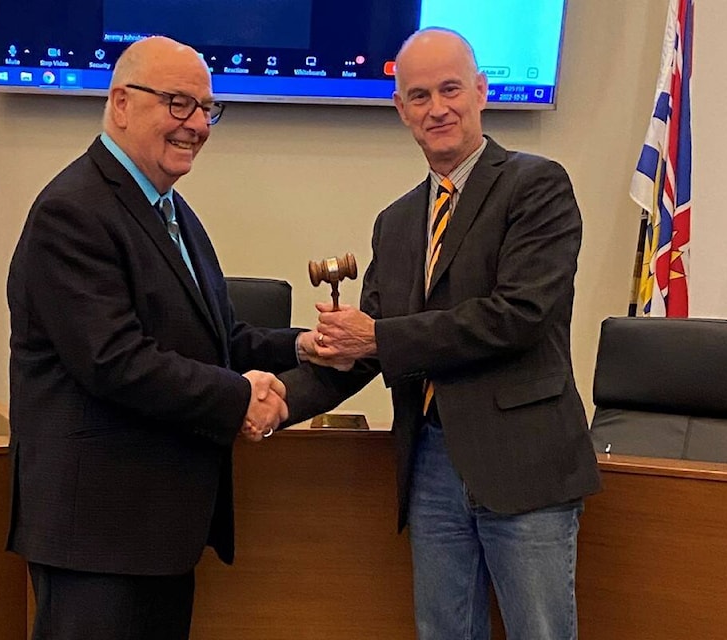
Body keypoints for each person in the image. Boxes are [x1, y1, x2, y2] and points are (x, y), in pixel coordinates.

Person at [280, 28, 602, 640]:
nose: (438, 108)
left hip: (523, 463)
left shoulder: (537, 186)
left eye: (451, 89)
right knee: (442, 632)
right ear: (401, 109)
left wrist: (376, 338)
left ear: (482, 91)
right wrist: (272, 401)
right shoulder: (397, 221)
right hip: (429, 461)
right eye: (420, 95)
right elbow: (364, 348)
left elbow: (517, 317)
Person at [6, 36, 311, 639]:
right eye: (178, 103)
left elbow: (215, 337)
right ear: (121, 102)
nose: (197, 125)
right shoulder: (73, 211)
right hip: (96, 538)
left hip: (154, 533)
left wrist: (304, 347)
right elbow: (114, 359)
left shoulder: (170, 210)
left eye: (206, 108)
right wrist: (237, 398)